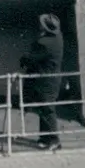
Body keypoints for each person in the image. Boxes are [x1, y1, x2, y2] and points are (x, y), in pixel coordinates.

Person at [20, 13, 65, 151]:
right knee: (44, 109)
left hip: (45, 81)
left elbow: (31, 58)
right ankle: (45, 138)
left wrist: (24, 59)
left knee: (47, 110)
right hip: (53, 79)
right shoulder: (58, 37)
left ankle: (54, 140)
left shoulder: (44, 43)